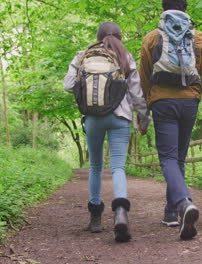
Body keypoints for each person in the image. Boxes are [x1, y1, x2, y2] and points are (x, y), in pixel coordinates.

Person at [139, 0, 202, 240]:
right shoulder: (199, 38)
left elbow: (144, 79)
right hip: (190, 102)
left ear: (163, 9)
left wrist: (143, 113)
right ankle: (171, 213)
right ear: (186, 9)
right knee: (179, 158)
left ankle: (184, 203)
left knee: (167, 158)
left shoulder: (152, 38)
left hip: (162, 102)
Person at [63, 21, 150, 243]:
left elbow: (68, 85)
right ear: (119, 36)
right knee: (118, 167)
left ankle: (95, 218)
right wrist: (143, 117)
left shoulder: (82, 56)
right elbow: (136, 93)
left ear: (98, 35)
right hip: (120, 117)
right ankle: (120, 213)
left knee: (95, 166)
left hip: (93, 118)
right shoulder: (124, 57)